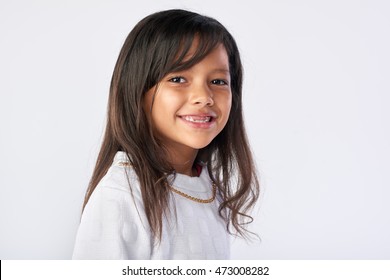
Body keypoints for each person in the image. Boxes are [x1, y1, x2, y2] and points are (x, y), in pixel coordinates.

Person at [72, 9, 259, 260]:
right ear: (138, 91)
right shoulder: (120, 196)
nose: (204, 97)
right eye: (179, 78)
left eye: (218, 81)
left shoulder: (209, 188)